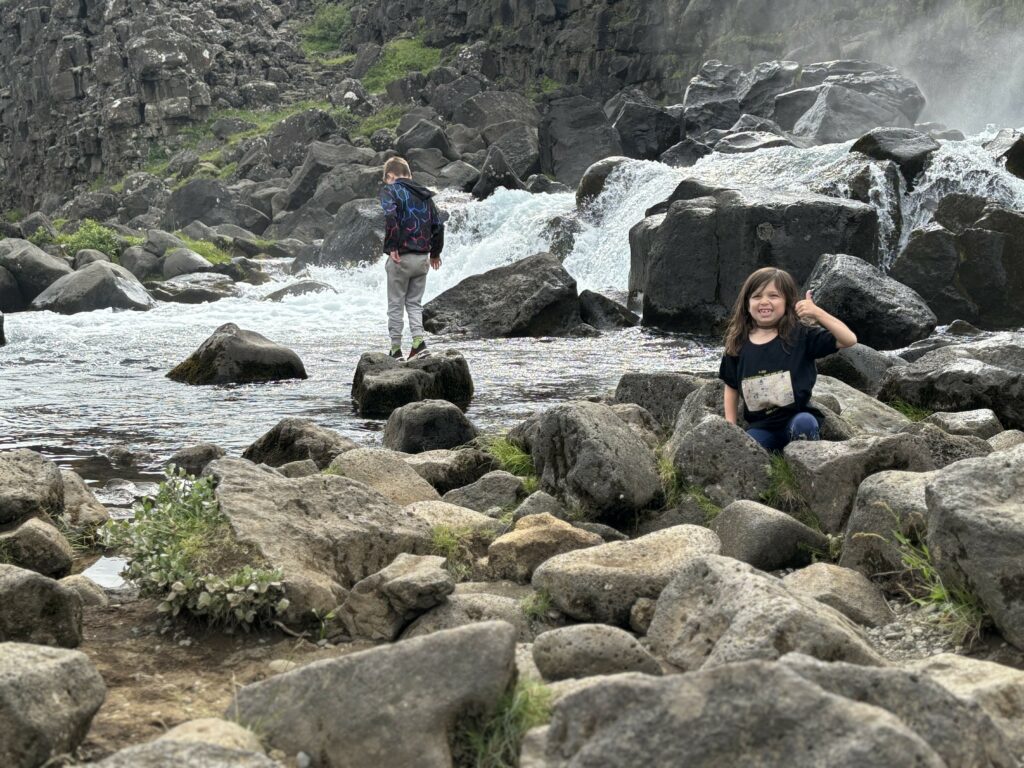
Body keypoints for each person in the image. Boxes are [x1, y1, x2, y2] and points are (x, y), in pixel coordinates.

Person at [718, 267, 857, 452]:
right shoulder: (737, 343)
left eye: (773, 296)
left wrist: (817, 313)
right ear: (746, 303)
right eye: (757, 296)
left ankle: (804, 465)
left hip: (796, 419)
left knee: (805, 422)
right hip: (761, 427)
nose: (764, 301)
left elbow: (849, 339)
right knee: (743, 451)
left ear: (788, 302)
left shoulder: (801, 335)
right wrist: (731, 427)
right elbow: (731, 386)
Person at [379, 156, 444, 359]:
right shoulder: (425, 194)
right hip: (422, 258)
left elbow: (391, 216)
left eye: (386, 179)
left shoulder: (390, 190)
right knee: (414, 303)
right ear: (409, 173)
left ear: (390, 175)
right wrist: (435, 253)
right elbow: (439, 224)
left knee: (396, 304)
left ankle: (395, 350)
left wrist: (391, 246)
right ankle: (419, 344)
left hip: (401, 258)